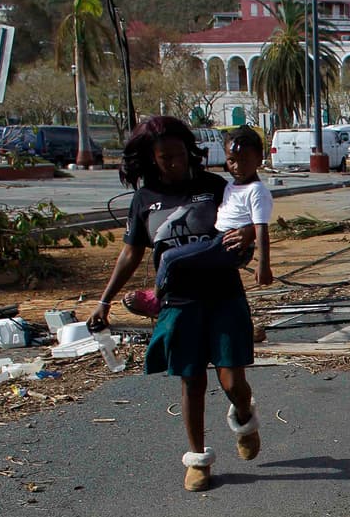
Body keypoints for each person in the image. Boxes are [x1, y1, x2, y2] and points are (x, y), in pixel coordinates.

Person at [87, 116, 263, 492]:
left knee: (232, 380)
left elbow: (251, 222)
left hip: (223, 295)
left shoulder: (216, 187)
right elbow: (131, 252)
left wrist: (247, 237)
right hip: (179, 303)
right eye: (165, 156)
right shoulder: (144, 200)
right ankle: (198, 458)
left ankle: (245, 416)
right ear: (151, 159)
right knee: (191, 379)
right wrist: (104, 301)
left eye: (179, 154)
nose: (174, 162)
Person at [122, 125, 274, 317]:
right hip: (215, 248)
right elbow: (130, 252)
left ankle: (156, 300)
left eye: (244, 160)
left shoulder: (237, 188)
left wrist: (262, 262)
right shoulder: (232, 186)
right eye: (231, 160)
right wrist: (105, 300)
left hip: (223, 247)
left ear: (259, 159)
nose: (237, 166)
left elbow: (261, 225)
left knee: (169, 258)